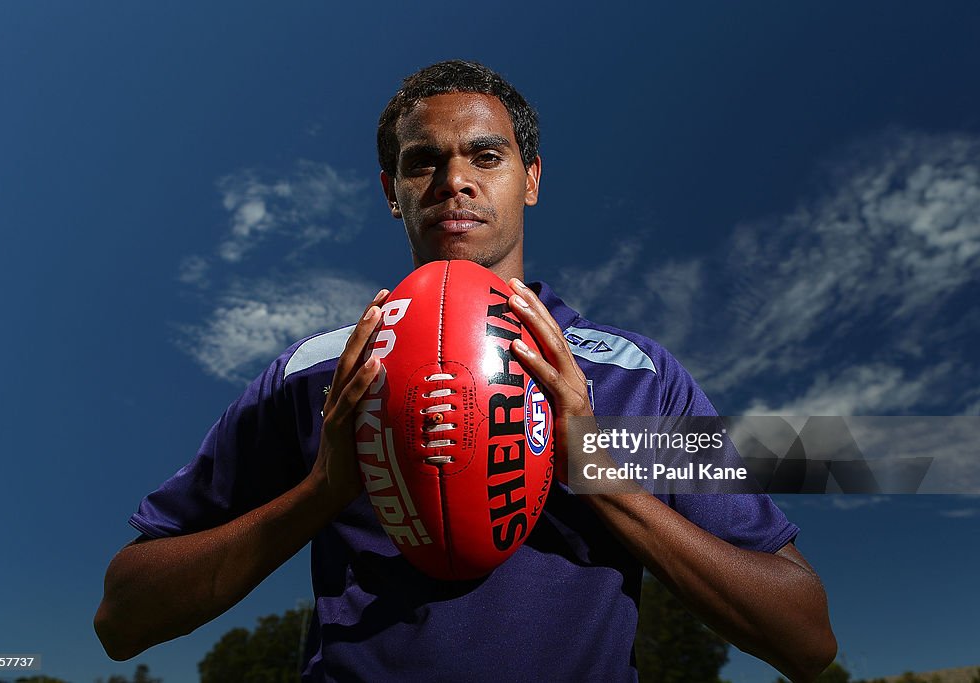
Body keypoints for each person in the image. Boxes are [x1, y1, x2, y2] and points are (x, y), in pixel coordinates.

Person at [95, 60, 836, 681]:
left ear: (531, 178)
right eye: (424, 161)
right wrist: (320, 492)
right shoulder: (317, 377)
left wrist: (604, 476)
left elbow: (804, 636)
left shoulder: (632, 380)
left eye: (486, 155)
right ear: (392, 192)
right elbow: (122, 619)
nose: (456, 180)